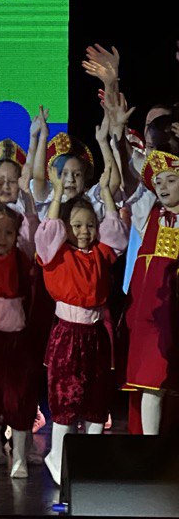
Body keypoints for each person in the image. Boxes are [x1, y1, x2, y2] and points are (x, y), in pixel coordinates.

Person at [37, 176, 128, 484]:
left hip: (95, 336)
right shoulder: (56, 253)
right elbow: (47, 233)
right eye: (76, 225)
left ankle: (90, 462)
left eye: (90, 225)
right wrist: (57, 196)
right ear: (65, 227)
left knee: (95, 401)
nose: (84, 231)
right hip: (68, 335)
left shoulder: (101, 253)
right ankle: (58, 457)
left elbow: (117, 235)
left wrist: (106, 193)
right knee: (66, 399)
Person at [123, 149, 179, 435]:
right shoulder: (150, 214)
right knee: (151, 381)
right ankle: (150, 447)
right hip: (154, 318)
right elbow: (129, 182)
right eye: (158, 182)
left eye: (171, 180)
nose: (163, 187)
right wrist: (118, 142)